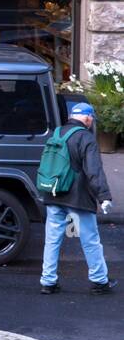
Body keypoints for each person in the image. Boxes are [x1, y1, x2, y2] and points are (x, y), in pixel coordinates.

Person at [40, 101, 116, 294]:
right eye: (92, 119)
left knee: (52, 240)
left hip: (53, 193)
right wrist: (104, 197)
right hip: (77, 198)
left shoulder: (56, 134)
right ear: (88, 117)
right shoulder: (85, 138)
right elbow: (94, 171)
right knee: (90, 240)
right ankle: (99, 281)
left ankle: (48, 282)